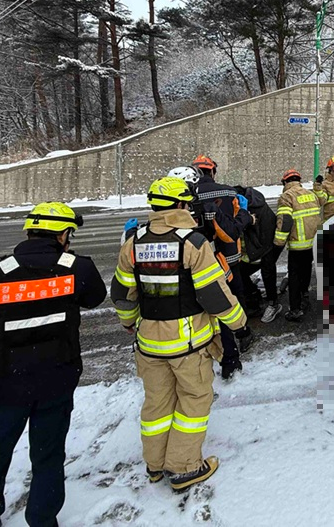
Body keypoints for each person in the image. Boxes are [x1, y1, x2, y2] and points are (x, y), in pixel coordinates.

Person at [0, 202, 106, 527]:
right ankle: (42, 519)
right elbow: (95, 297)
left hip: (4, 387)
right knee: (48, 456)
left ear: (28, 231)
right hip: (56, 383)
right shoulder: (76, 268)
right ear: (63, 234)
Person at [111, 177, 247, 491]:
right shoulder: (193, 242)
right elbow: (214, 294)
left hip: (149, 344)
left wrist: (129, 321)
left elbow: (121, 292)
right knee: (193, 403)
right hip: (188, 345)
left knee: (157, 405)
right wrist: (239, 323)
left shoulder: (134, 242)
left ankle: (155, 465)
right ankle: (185, 468)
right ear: (183, 205)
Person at [192, 154, 255, 378]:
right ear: (212, 171)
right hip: (228, 259)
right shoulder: (228, 192)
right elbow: (234, 229)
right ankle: (241, 335)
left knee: (207, 306)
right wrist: (246, 215)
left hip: (198, 261)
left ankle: (211, 352)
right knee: (233, 300)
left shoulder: (186, 194)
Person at [274, 169, 322, 322]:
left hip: (297, 245)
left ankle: (295, 309)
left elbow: (285, 221)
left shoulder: (286, 197)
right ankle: (305, 294)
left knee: (294, 276)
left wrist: (278, 243)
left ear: (285, 182)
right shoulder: (311, 194)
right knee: (306, 269)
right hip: (312, 243)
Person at [234, 184, 285, 322]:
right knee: (239, 272)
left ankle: (273, 304)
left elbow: (265, 230)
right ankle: (254, 296)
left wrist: (260, 250)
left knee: (267, 273)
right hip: (252, 250)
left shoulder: (255, 208)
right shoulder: (246, 205)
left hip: (264, 247)